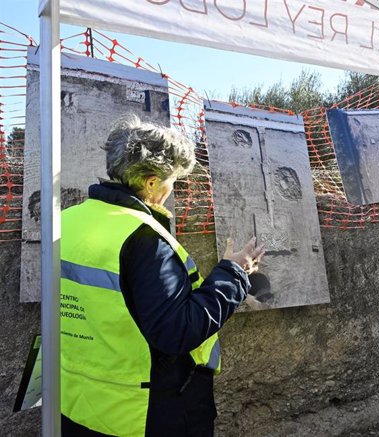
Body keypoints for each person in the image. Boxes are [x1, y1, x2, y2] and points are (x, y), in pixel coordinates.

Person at [60, 114, 265, 436]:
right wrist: (234, 273)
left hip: (77, 400)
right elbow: (177, 332)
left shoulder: (68, 220)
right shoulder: (143, 238)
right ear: (152, 182)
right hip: (142, 411)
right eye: (173, 181)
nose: (172, 189)